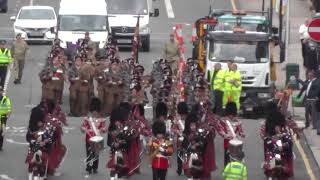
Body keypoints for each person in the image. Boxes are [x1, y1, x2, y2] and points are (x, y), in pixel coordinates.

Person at [81, 97, 107, 174]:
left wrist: (102, 130)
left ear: (98, 112)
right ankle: (89, 167)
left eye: (96, 112)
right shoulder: (87, 119)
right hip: (88, 139)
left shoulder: (101, 120)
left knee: (96, 154)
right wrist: (83, 129)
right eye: (93, 112)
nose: (94, 114)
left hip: (97, 139)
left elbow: (104, 128)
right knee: (89, 153)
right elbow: (83, 126)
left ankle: (95, 167)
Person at [221, 102, 245, 167]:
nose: (231, 116)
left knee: (236, 160)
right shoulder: (224, 121)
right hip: (227, 143)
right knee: (227, 159)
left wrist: (242, 134)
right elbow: (221, 131)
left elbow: (241, 132)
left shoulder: (237, 121)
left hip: (236, 143)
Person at [171, 101, 189, 175]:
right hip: (180, 139)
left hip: (187, 138)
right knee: (179, 154)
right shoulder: (177, 118)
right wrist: (178, 132)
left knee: (186, 154)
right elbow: (173, 128)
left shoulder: (188, 117)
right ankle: (179, 169)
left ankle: (185, 169)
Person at [0, 86, 11, 150]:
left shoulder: (6, 99)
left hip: (3, 118)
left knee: (2, 132)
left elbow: (9, 109)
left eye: (1, 90)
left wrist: (7, 116)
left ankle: (0, 145)